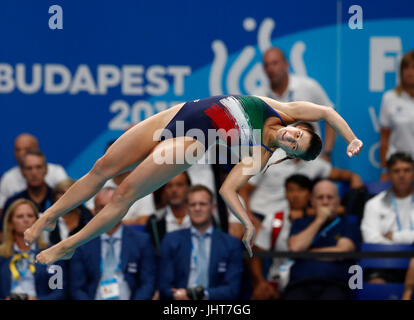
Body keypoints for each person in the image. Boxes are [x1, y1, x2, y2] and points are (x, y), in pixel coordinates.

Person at [23, 94, 363, 263]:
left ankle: (68, 245)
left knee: (124, 192)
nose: (291, 138)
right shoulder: (279, 108)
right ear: (298, 125)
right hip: (177, 114)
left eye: (296, 146)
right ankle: (49, 216)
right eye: (298, 135)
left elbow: (228, 190)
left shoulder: (259, 156)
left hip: (188, 143)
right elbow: (328, 112)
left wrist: (245, 221)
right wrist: (351, 139)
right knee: (101, 167)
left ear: (291, 155)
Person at [239, 122, 363, 225]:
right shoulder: (266, 155)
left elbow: (346, 175)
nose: (297, 139)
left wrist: (355, 187)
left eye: (305, 136)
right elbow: (244, 189)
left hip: (289, 219)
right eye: (297, 134)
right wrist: (248, 217)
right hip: (258, 214)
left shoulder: (315, 164)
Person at [69, 187, 156, 300]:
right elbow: (76, 288)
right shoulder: (82, 244)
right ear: (94, 211)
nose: (106, 212)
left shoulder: (142, 241)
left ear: (122, 209)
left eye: (111, 206)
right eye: (101, 207)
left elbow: (148, 284)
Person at [158, 185, 244, 300]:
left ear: (213, 208)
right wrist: (178, 295)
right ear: (187, 209)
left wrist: (200, 295)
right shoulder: (171, 240)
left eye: (202, 204)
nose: (197, 208)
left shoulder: (231, 244)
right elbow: (164, 285)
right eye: (193, 205)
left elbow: (232, 289)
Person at [284, 179, 361, 300]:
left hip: (335, 285)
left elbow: (343, 250)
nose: (325, 202)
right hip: (299, 284)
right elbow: (295, 248)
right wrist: (319, 220)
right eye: (320, 198)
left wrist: (305, 254)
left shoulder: (348, 225)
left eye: (330, 197)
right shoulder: (300, 223)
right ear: (312, 201)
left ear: (338, 201)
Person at [256, 47, 336, 161]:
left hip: (309, 162)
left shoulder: (308, 86)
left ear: (286, 64)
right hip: (276, 165)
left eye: (274, 63)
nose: (270, 69)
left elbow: (330, 114)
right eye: (266, 65)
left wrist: (327, 152)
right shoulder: (258, 96)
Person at [249, 174, 313, 300]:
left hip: (309, 281)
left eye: (301, 190)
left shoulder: (318, 220)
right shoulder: (274, 219)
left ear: (310, 194)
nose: (295, 195)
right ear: (285, 193)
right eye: (291, 190)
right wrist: (260, 282)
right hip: (277, 282)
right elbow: (256, 254)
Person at [361, 152, 414, 283]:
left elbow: (380, 237)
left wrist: (394, 236)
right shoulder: (373, 204)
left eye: (407, 170)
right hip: (385, 264)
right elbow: (371, 239)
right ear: (389, 174)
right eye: (396, 171)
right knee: (376, 282)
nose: (402, 175)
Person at [0, 199, 67, 300]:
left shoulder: (51, 252)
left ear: (37, 221)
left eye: (30, 216)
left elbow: (59, 292)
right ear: (10, 223)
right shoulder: (1, 255)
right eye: (20, 216)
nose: (26, 220)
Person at [0, 133, 68, 212]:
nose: (21, 153)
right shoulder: (8, 178)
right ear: (23, 172)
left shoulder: (57, 172)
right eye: (18, 150)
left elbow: (69, 199)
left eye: (27, 149)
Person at [1, 150, 55, 237]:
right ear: (22, 172)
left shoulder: (58, 198)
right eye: (29, 168)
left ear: (46, 169)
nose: (34, 173)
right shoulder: (12, 202)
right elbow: (4, 233)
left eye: (38, 167)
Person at [379, 51, 414, 181]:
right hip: (398, 167)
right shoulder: (390, 98)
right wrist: (384, 169)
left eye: (413, 67)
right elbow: (384, 139)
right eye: (406, 68)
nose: (410, 72)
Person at [145, 172, 192, 252]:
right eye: (169, 186)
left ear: (188, 188)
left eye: (179, 185)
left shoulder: (202, 216)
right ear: (164, 190)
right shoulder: (154, 221)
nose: (174, 190)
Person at [49, 178, 94, 245]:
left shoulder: (88, 218)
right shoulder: (46, 219)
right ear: (55, 197)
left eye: (71, 193)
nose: (66, 197)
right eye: (62, 193)